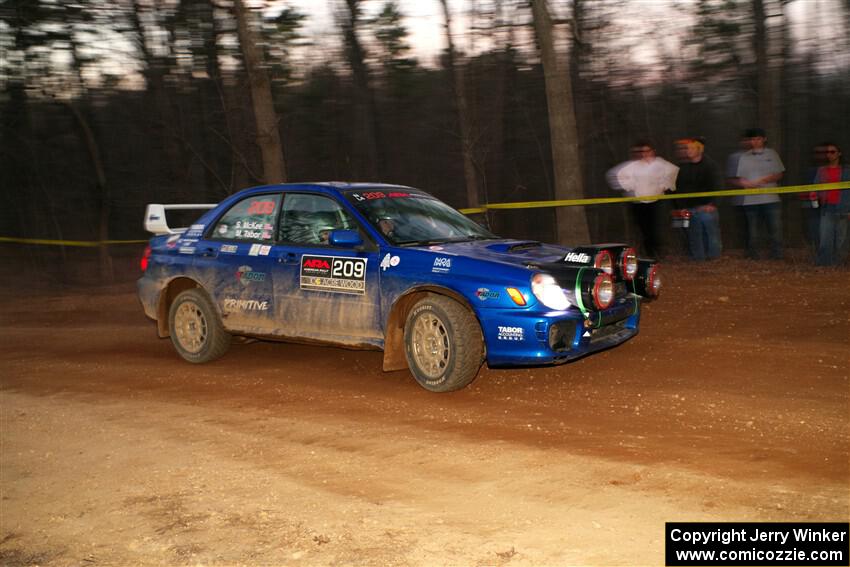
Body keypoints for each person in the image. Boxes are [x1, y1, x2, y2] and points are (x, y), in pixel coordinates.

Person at [607, 139, 679, 258]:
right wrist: (629, 186)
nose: (645, 154)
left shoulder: (661, 164)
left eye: (647, 151)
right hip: (638, 203)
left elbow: (672, 173)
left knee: (656, 228)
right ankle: (649, 254)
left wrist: (663, 185)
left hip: (656, 202)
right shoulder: (632, 166)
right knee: (644, 230)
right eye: (642, 151)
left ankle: (659, 253)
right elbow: (615, 176)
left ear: (653, 151)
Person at [734, 128, 785, 260]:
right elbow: (741, 178)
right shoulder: (744, 157)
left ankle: (777, 255)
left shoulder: (772, 154)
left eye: (758, 138)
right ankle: (753, 257)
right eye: (752, 139)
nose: (755, 141)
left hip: (771, 199)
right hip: (750, 200)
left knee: (775, 229)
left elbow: (779, 174)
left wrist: (764, 180)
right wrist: (746, 183)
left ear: (764, 139)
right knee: (753, 231)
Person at [674, 137, 722, 260]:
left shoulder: (710, 165)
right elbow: (677, 188)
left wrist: (712, 204)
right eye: (687, 148)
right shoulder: (682, 167)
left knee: (712, 236)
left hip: (706, 207)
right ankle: (698, 260)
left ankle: (714, 259)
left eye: (691, 148)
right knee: (693, 236)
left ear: (699, 150)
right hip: (689, 208)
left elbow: (717, 185)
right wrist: (679, 207)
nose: (687, 151)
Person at [812, 142, 850, 266]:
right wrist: (814, 195)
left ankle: (838, 263)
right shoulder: (822, 170)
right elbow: (815, 187)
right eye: (827, 152)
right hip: (827, 207)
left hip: (843, 208)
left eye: (832, 152)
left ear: (839, 153)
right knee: (825, 238)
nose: (829, 154)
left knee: (840, 239)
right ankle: (824, 263)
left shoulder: (847, 170)